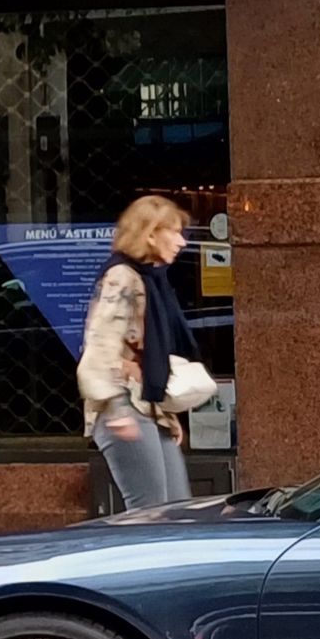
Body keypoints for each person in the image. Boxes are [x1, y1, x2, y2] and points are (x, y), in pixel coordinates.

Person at [77, 194, 199, 509]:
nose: (181, 242)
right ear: (149, 234)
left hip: (147, 409)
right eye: (173, 232)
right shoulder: (123, 277)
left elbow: (151, 358)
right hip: (124, 407)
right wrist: (117, 409)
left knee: (176, 512)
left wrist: (167, 415)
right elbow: (100, 346)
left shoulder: (152, 280)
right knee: (151, 516)